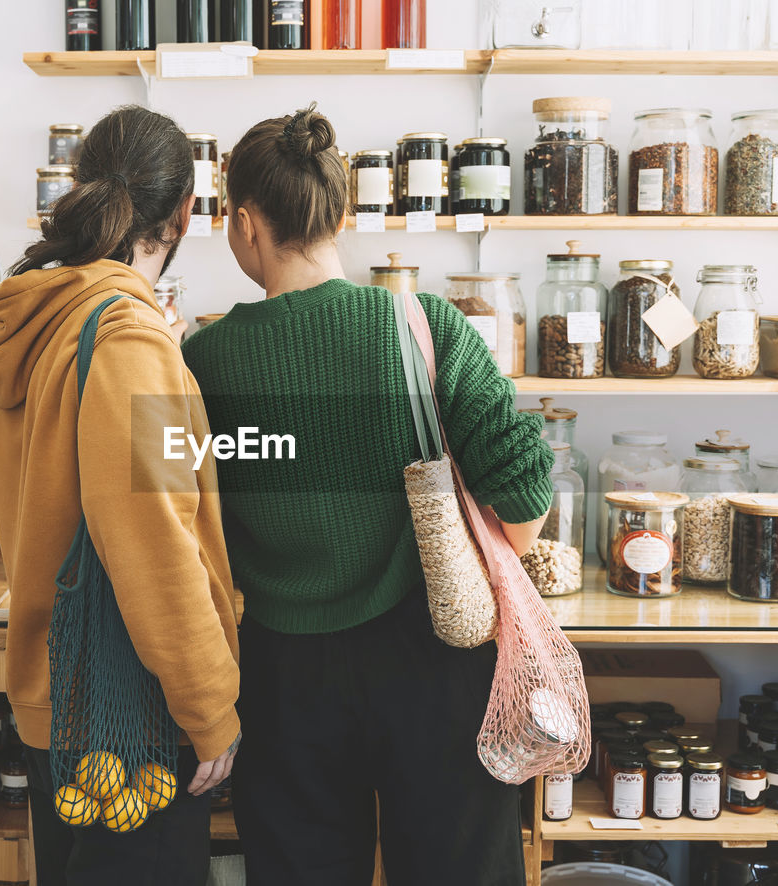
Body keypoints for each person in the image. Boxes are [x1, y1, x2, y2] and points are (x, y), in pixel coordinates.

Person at [181, 104, 553, 886]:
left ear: (244, 222)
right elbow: (523, 497)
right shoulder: (426, 329)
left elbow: (178, 523)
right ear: (341, 214)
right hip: (432, 654)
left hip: (282, 677)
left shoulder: (202, 361)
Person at [0, 105, 240, 886]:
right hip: (132, 711)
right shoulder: (125, 339)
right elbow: (152, 544)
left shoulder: (32, 321)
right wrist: (210, 707)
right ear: (185, 212)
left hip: (56, 694)